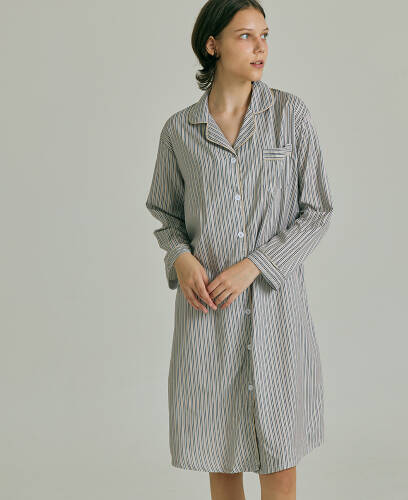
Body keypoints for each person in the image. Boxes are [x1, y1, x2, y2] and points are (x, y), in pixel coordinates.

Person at [145, 1, 334, 498]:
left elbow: (317, 211)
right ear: (213, 44)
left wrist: (255, 265)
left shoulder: (289, 116)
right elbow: (165, 213)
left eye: (264, 35)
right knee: (220, 451)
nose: (260, 47)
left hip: (276, 315)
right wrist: (181, 257)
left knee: (279, 452)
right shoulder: (180, 131)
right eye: (245, 36)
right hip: (210, 317)